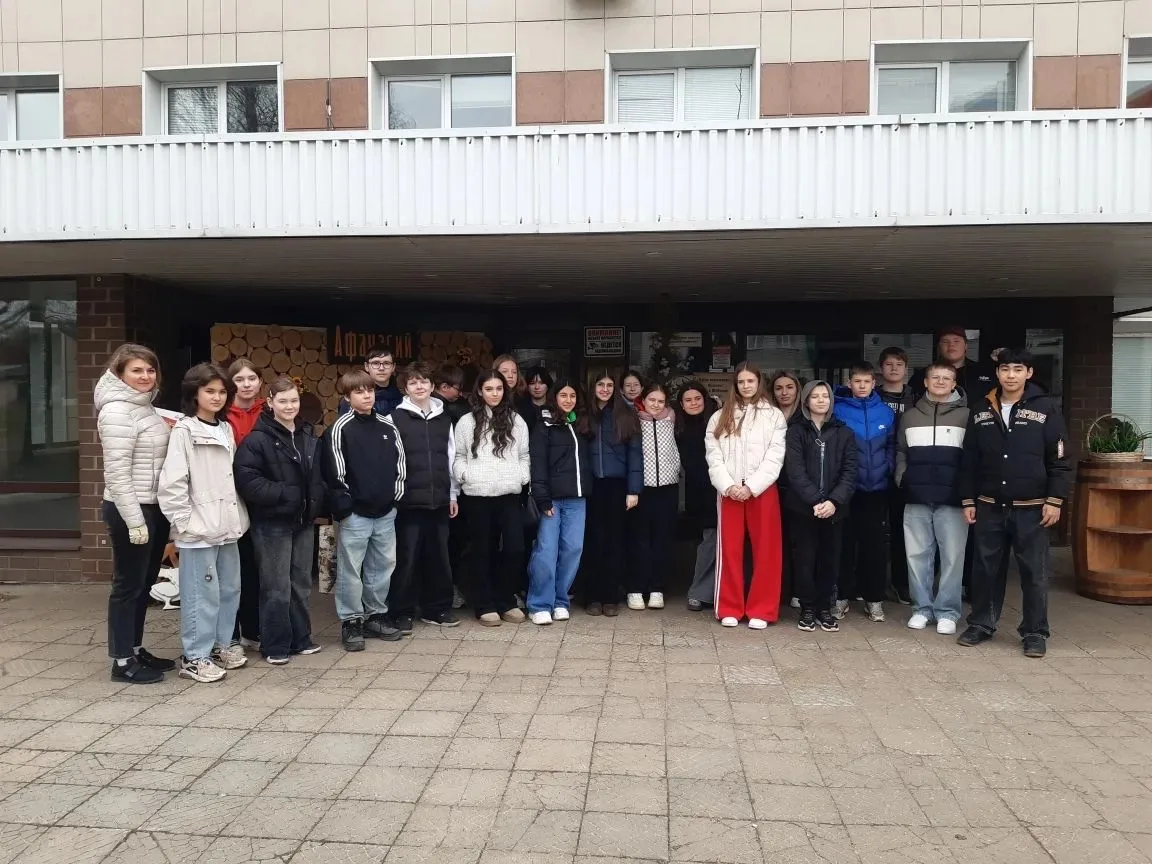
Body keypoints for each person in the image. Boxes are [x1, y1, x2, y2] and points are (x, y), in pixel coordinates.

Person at [957, 349, 1069, 658]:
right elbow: (969, 460)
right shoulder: (981, 408)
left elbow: (1059, 459)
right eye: (1005, 369)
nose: (1011, 375)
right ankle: (982, 623)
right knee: (985, 570)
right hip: (989, 505)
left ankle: (1034, 632)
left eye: (1018, 369)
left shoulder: (1046, 408)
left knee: (1034, 573)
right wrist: (968, 499)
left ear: (1028, 373)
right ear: (997, 373)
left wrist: (1055, 500)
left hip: (1032, 508)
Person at [157, 364, 250, 683]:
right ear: (194, 393)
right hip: (198, 530)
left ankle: (220, 646)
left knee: (229, 590)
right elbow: (172, 483)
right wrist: (185, 524)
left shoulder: (224, 428)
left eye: (222, 391)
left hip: (227, 525)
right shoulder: (184, 430)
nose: (216, 397)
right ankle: (195, 656)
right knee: (201, 594)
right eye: (209, 391)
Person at [96, 344, 175, 684]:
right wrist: (134, 520)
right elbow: (117, 473)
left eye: (150, 370)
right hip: (130, 508)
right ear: (119, 374)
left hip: (152, 506)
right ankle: (122, 660)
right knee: (127, 586)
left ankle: (135, 648)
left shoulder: (144, 407)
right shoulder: (116, 411)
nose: (145, 376)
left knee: (144, 583)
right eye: (137, 370)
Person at [234, 376, 326, 664]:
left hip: (303, 521)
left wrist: (316, 499)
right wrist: (285, 494)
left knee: (300, 583)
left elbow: (319, 475)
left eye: (294, 400)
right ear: (270, 402)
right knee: (276, 586)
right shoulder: (257, 439)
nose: (289, 406)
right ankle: (275, 644)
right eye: (283, 401)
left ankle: (301, 638)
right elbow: (247, 480)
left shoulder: (308, 435)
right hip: (272, 523)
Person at [321, 370, 406, 652]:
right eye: (359, 392)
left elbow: (400, 464)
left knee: (382, 566)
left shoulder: (388, 426)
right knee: (351, 569)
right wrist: (347, 508)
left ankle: (375, 615)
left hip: (385, 512)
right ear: (347, 397)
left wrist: (394, 499)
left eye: (369, 390)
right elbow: (336, 473)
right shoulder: (340, 428)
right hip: (355, 514)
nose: (366, 396)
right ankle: (351, 620)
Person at [705, 362, 788, 629]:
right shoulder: (719, 417)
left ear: (759, 382)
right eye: (741, 382)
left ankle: (761, 610)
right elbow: (713, 456)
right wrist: (728, 485)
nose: (746, 386)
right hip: (729, 490)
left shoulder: (774, 416)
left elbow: (775, 456)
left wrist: (752, 486)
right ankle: (729, 607)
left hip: (761, 489)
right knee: (729, 550)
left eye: (750, 381)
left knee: (767, 550)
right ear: (735, 384)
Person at [895, 362, 969, 635]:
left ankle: (948, 611)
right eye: (935, 377)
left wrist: (966, 491)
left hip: (952, 497)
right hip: (917, 496)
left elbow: (972, 458)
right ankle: (921, 609)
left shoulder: (967, 416)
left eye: (946, 378)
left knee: (952, 557)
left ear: (954, 383)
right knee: (916, 556)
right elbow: (900, 451)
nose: (940, 381)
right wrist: (902, 478)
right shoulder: (910, 416)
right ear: (925, 382)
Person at [452, 370, 531, 626]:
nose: (494, 393)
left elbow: (524, 455)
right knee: (481, 550)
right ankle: (484, 603)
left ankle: (505, 599)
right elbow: (459, 456)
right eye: (489, 389)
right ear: (480, 391)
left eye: (498, 388)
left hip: (509, 493)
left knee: (515, 548)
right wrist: (466, 475)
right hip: (478, 494)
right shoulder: (467, 422)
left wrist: (521, 476)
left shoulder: (516, 420)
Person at [387, 362, 460, 630]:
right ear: (405, 388)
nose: (419, 386)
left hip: (439, 499)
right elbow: (391, 461)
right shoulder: (395, 418)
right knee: (406, 558)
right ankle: (402, 611)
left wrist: (453, 494)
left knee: (439, 557)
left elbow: (451, 457)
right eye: (413, 382)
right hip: (408, 501)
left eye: (424, 381)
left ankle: (437, 608)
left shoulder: (444, 419)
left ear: (432, 385)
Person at [785, 381, 857, 633]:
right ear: (806, 401)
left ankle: (825, 608)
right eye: (814, 396)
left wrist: (834, 501)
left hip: (834, 510)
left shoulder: (843, 432)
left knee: (830, 560)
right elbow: (795, 470)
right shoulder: (796, 431)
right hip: (804, 509)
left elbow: (850, 471)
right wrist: (815, 500)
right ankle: (807, 608)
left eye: (825, 396)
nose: (820, 400)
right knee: (805, 560)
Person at [833, 360, 896, 622]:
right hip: (847, 490)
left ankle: (874, 599)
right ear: (849, 383)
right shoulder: (837, 409)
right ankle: (842, 597)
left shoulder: (886, 413)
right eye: (857, 381)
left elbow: (892, 445)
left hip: (876, 490)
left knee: (874, 548)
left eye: (866, 381)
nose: (862, 386)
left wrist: (888, 468)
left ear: (874, 383)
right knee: (844, 545)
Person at [527, 379, 592, 624]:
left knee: (573, 550)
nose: (568, 400)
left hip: (577, 498)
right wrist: (543, 498)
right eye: (563, 395)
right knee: (546, 551)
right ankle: (539, 604)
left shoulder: (581, 424)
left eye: (572, 395)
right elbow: (538, 463)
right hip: (552, 500)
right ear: (555, 398)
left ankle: (560, 600)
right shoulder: (544, 425)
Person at [579, 370, 642, 616]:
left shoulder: (625, 414)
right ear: (592, 387)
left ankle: (611, 597)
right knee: (593, 540)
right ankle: (592, 596)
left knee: (615, 541)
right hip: (591, 485)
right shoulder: (584, 414)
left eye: (609, 385)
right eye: (600, 384)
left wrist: (633, 489)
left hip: (617, 485)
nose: (604, 389)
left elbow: (635, 454)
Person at [628, 383, 681, 611]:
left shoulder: (672, 419)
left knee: (662, 539)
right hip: (642, 489)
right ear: (643, 400)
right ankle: (636, 587)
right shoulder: (634, 420)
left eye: (661, 401)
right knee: (639, 540)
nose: (656, 405)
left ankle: (657, 588)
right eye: (652, 400)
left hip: (668, 487)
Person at [226, 358, 265, 650]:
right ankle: (230, 632)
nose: (247, 384)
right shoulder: (222, 413)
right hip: (232, 498)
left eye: (252, 378)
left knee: (255, 568)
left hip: (262, 497)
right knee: (233, 569)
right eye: (239, 379)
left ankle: (252, 629)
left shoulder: (269, 410)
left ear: (260, 381)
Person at [677, 381, 720, 612]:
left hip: (716, 491)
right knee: (701, 543)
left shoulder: (716, 424)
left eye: (697, 399)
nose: (693, 403)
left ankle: (700, 593)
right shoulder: (677, 427)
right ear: (681, 404)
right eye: (688, 400)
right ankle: (707, 589)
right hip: (690, 494)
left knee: (710, 542)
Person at [877, 347, 915, 606]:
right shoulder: (873, 396)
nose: (893, 368)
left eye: (899, 364)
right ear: (881, 368)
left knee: (904, 532)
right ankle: (875, 583)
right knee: (876, 533)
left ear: (906, 369)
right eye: (889, 364)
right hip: (878, 472)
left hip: (906, 473)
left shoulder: (916, 398)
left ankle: (902, 583)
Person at [913, 326, 995, 399]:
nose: (951, 345)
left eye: (956, 341)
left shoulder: (985, 372)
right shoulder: (922, 375)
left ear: (966, 345)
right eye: (945, 341)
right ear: (939, 347)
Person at [337, 345, 402, 416]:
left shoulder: (402, 399)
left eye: (386, 363)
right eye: (376, 363)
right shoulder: (354, 399)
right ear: (366, 366)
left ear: (393, 367)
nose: (381, 368)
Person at [521, 366, 554, 432]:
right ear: (527, 386)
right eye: (532, 383)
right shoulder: (520, 409)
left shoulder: (555, 408)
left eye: (541, 383)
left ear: (547, 385)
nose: (537, 387)